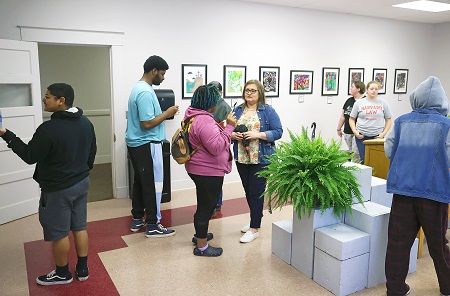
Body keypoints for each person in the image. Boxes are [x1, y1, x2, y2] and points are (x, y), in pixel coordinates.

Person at [0, 83, 96, 285]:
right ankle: (83, 267)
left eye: (48, 96)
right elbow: (91, 153)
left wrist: (5, 134)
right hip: (82, 183)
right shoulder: (86, 122)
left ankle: (62, 274)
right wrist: (80, 171)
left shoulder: (48, 129)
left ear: (61, 101)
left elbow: (29, 156)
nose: (44, 99)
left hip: (58, 189)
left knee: (60, 232)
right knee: (79, 226)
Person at [384, 76, 450, 296]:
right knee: (439, 246)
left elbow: (388, 150)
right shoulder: (446, 125)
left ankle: (396, 289)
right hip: (434, 194)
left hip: (403, 192)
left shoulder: (401, 122)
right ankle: (448, 287)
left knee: (397, 244)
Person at [126, 55, 179, 237]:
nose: (163, 78)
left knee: (140, 182)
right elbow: (146, 123)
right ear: (154, 71)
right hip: (146, 143)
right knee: (151, 185)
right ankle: (152, 225)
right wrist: (168, 113)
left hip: (138, 144)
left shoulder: (140, 88)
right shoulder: (145, 92)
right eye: (162, 74)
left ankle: (137, 218)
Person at [183, 84, 237, 256]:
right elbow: (215, 147)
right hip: (207, 171)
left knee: (204, 203)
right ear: (210, 103)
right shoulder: (204, 120)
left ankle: (201, 234)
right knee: (206, 207)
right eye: (216, 100)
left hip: (199, 168)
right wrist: (229, 127)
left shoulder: (192, 114)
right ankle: (201, 247)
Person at [232, 79, 283, 243]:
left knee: (256, 192)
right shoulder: (238, 110)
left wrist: (258, 135)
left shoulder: (267, 111)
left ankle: (254, 228)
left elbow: (278, 131)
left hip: (261, 158)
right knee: (248, 191)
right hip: (241, 157)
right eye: (247, 90)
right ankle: (255, 217)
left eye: (253, 90)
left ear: (260, 92)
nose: (249, 93)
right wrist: (233, 135)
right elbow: (229, 129)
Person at [349, 80, 393, 163]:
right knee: (363, 160)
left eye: (376, 89)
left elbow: (389, 120)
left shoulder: (383, 103)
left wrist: (383, 134)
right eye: (372, 89)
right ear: (367, 90)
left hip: (377, 137)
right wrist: (355, 132)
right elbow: (351, 119)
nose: (374, 91)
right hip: (362, 136)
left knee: (376, 160)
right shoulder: (359, 103)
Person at [208, 81, 232, 217]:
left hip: (219, 145)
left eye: (216, 91)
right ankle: (214, 204)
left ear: (221, 92)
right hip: (209, 146)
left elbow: (228, 127)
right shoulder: (208, 105)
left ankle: (216, 203)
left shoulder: (224, 107)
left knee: (217, 178)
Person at [336, 81, 365, 161]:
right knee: (351, 153)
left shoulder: (365, 101)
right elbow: (343, 116)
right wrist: (339, 128)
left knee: (356, 155)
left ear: (358, 89)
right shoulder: (349, 100)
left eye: (352, 87)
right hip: (347, 132)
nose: (350, 88)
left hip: (359, 133)